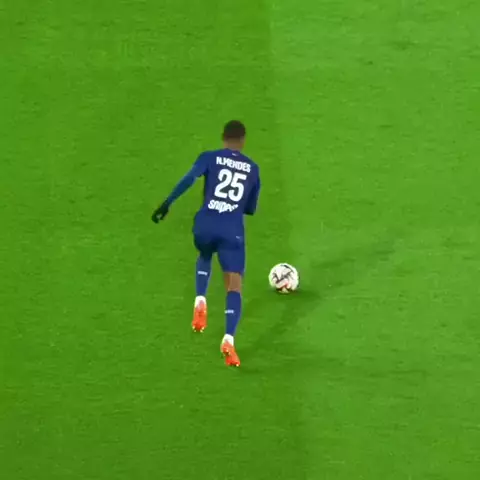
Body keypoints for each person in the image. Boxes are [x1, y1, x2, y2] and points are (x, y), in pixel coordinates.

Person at [152, 120, 261, 367]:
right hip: (231, 231)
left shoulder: (209, 157)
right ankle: (228, 339)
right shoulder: (252, 169)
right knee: (234, 284)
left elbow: (189, 179)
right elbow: (250, 209)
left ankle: (200, 299)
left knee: (204, 254)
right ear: (243, 141)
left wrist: (167, 204)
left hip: (205, 225)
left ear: (223, 138)